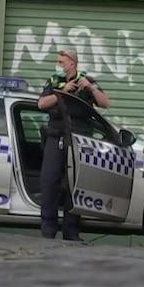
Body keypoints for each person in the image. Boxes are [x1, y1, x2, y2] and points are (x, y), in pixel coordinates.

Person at [36, 49, 110, 241]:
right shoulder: (54, 81)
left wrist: (91, 89)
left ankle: (71, 231)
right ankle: (48, 229)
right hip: (55, 136)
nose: (58, 64)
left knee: (74, 185)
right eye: (57, 61)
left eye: (61, 62)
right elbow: (42, 104)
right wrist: (62, 92)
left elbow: (105, 103)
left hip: (78, 141)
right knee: (49, 181)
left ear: (72, 64)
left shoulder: (86, 81)